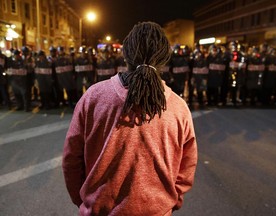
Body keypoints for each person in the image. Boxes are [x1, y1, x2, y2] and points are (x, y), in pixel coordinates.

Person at [62, 21, 198, 216]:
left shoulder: (93, 97)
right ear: (164, 59)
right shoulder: (178, 107)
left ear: (126, 54)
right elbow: (187, 165)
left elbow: (71, 159)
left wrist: (84, 201)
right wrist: (171, 201)